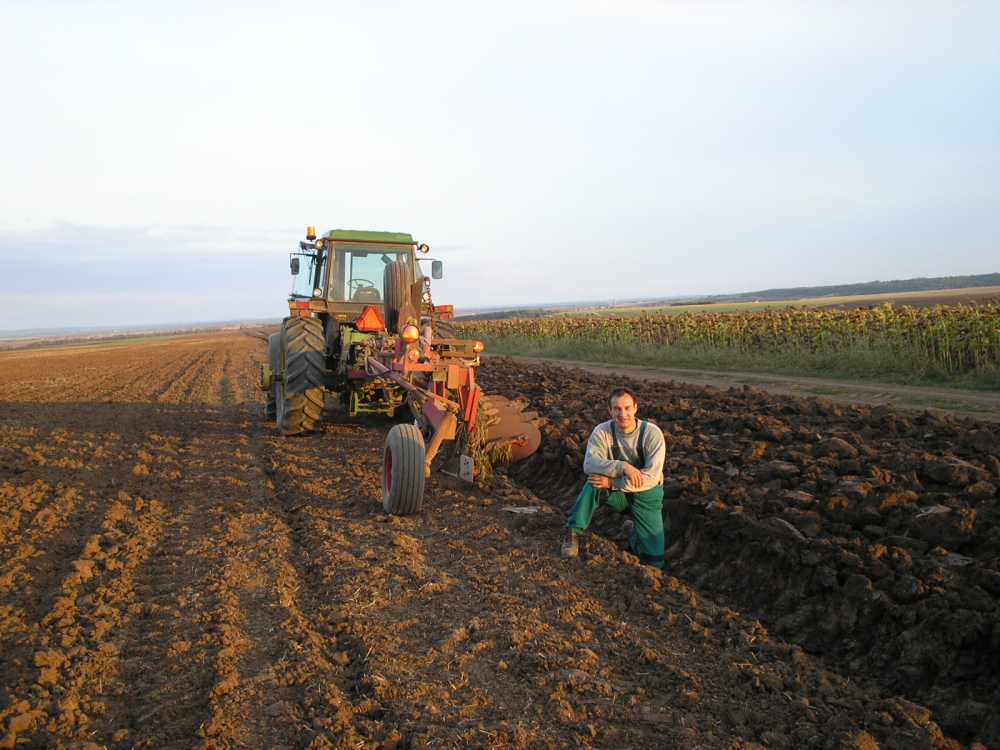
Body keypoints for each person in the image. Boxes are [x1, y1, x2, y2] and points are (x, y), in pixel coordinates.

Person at [561, 387, 667, 568]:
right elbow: (589, 464)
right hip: (617, 494)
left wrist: (613, 482)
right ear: (610, 410)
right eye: (617, 409)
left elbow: (651, 478)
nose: (622, 414)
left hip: (646, 495)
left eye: (627, 408)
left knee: (655, 561)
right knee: (594, 482)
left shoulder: (651, 433)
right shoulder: (602, 431)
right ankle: (573, 532)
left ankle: (634, 536)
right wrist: (623, 466)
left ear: (635, 408)